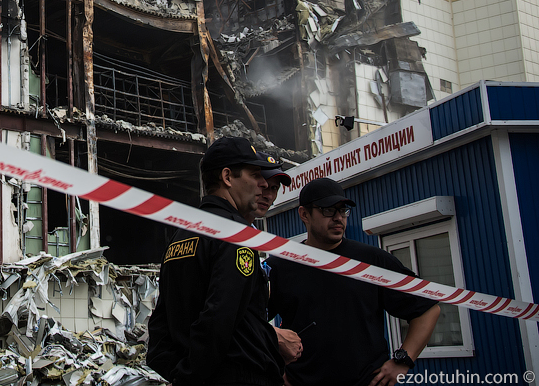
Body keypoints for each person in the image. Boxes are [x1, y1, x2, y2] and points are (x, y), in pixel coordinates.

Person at [268, 178, 441, 386]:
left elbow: (427, 309)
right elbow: (249, 321)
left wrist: (403, 360)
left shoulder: (372, 262)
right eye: (328, 211)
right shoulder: (280, 266)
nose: (338, 218)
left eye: (343, 211)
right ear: (304, 214)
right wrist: (273, 369)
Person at [147, 136, 284, 386]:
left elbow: (160, 323)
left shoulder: (181, 234)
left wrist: (178, 373)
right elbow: (218, 318)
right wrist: (191, 374)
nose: (263, 183)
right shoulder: (233, 233)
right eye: (255, 175)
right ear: (228, 177)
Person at [251, 157, 303, 367]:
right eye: (262, 185)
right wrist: (273, 335)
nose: (268, 195)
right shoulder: (222, 234)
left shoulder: (252, 236)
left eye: (274, 188)